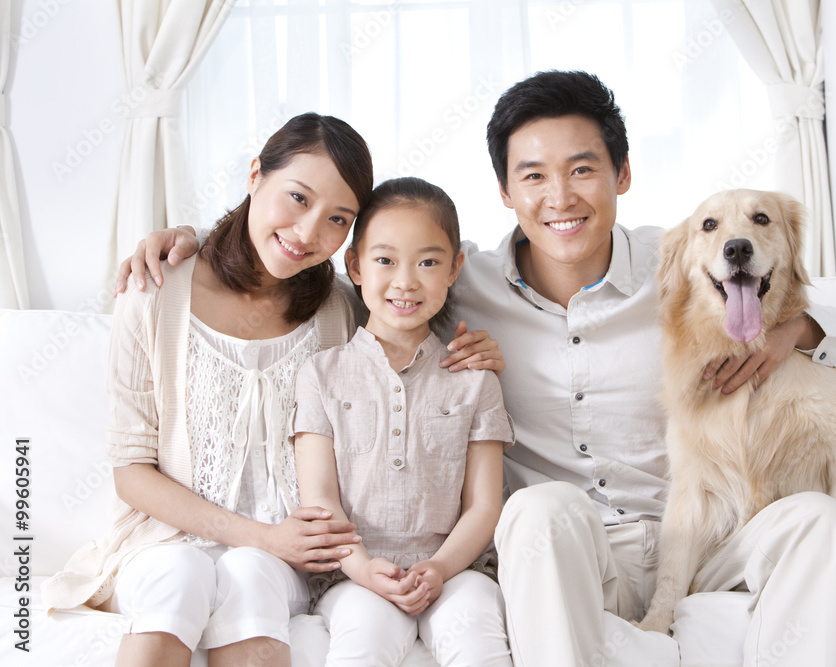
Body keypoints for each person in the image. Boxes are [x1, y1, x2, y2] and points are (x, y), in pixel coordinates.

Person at [116, 72, 836, 666]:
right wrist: (193, 241)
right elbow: (368, 273)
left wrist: (790, 330)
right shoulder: (459, 282)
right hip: (568, 544)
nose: (560, 197)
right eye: (534, 176)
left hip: (697, 533)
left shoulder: (684, 261)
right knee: (536, 509)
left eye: (583, 169)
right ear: (506, 193)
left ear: (623, 174)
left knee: (825, 519)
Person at [44, 113, 503, 667]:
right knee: (181, 573)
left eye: (338, 218)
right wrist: (260, 536)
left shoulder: (338, 307)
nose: (308, 233)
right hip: (166, 542)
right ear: (255, 174)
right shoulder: (155, 291)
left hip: (289, 557)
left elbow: (409, 300)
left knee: (250, 573)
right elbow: (131, 473)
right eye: (298, 197)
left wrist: (480, 349)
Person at [294, 176, 513, 666]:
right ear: (355, 265)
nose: (406, 281)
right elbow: (321, 500)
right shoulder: (321, 374)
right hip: (352, 574)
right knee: (365, 637)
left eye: (428, 262)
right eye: (385, 260)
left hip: (456, 570)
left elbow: (484, 505)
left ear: (455, 268)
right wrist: (364, 569)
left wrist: (439, 568)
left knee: (477, 634)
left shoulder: (475, 380)